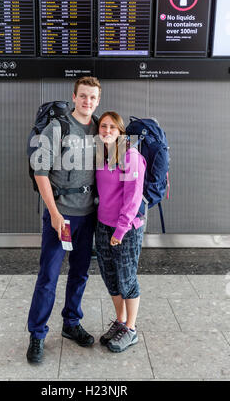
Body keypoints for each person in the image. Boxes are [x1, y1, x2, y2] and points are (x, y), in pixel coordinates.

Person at [26, 76, 101, 363]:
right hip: (62, 217)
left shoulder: (101, 128)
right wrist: (55, 215)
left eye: (92, 97)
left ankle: (71, 323)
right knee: (48, 276)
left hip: (88, 216)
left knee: (80, 273)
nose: (87, 102)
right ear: (74, 97)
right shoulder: (57, 128)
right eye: (83, 96)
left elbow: (115, 169)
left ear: (98, 100)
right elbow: (40, 173)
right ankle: (37, 334)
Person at [95, 111, 146, 353]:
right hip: (103, 225)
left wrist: (121, 229)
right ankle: (121, 322)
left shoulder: (130, 156)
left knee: (126, 278)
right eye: (103, 126)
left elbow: (133, 198)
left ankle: (132, 329)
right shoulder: (101, 154)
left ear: (121, 132)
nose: (106, 131)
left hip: (125, 229)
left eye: (112, 127)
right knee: (111, 278)